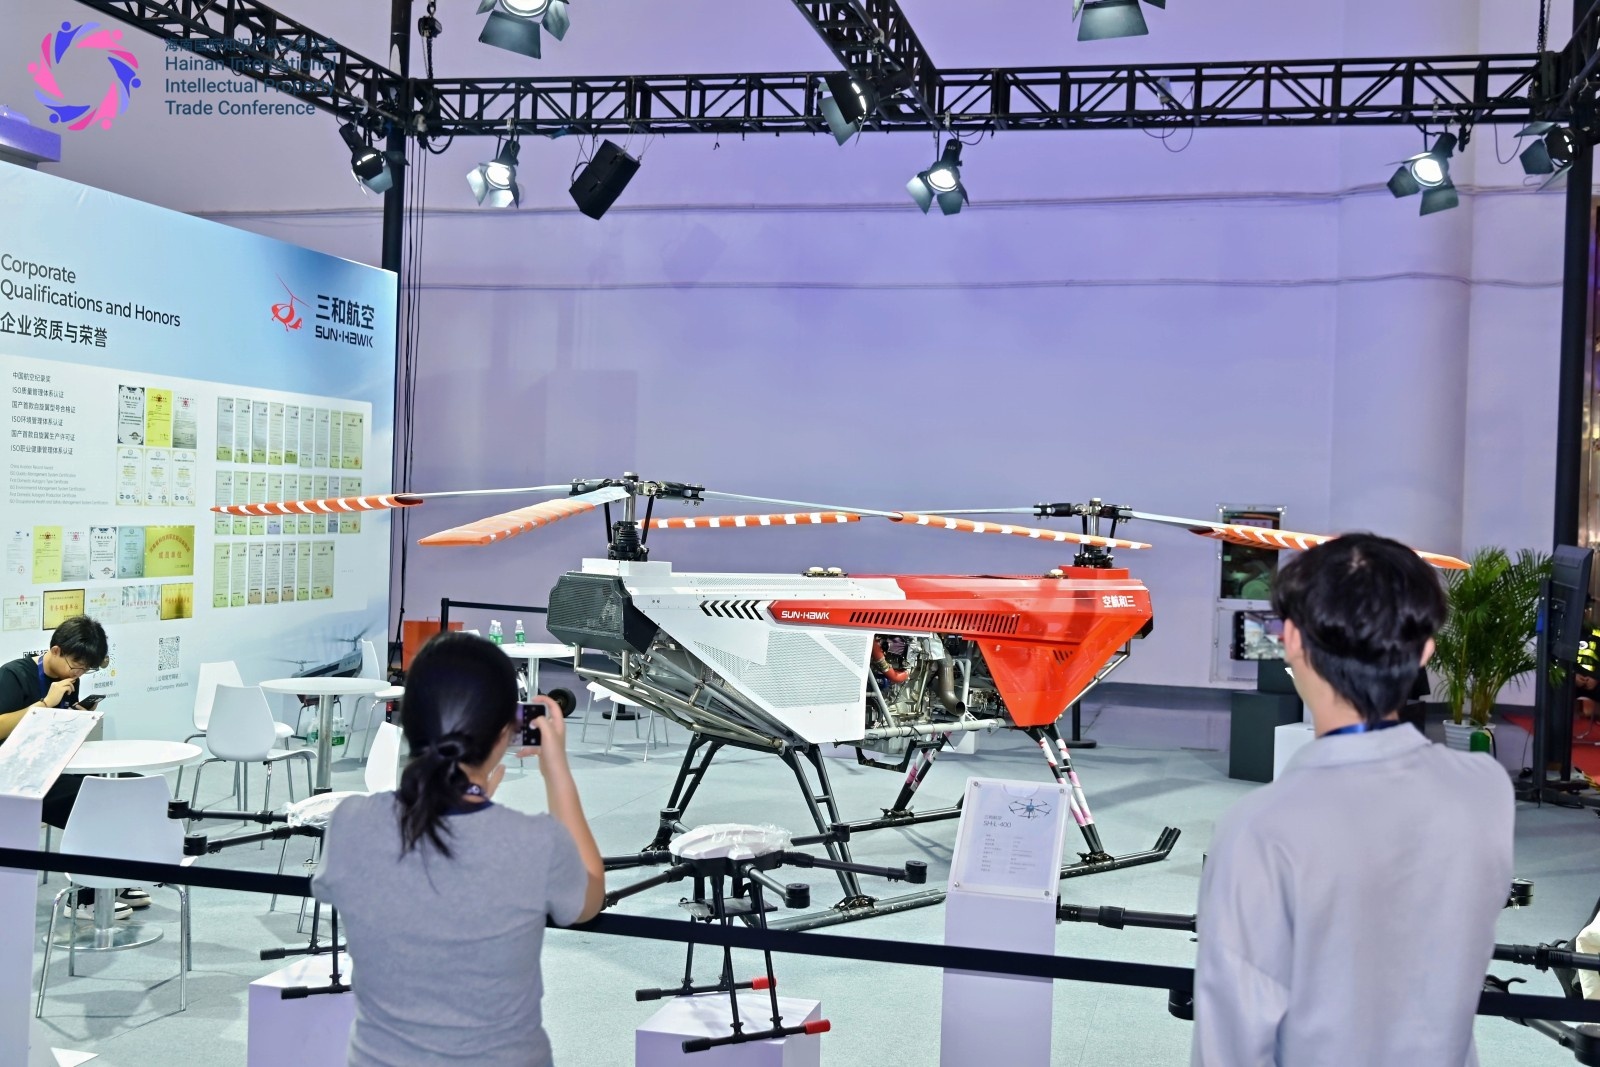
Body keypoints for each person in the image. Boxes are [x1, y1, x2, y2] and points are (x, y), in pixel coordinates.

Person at [1192, 534, 1514, 1067]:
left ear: (1292, 641)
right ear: (1426, 651)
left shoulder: (1260, 828)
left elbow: (1232, 1040)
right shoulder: (1486, 789)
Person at [313, 631, 604, 1067]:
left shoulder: (350, 824)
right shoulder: (534, 842)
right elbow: (589, 899)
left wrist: (464, 793)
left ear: (410, 722)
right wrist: (556, 769)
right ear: (507, 732)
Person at [0, 615, 142, 919]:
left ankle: (113, 880)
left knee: (131, 786)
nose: (79, 673)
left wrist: (78, 714)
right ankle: (84, 898)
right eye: (76, 665)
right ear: (55, 651)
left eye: (86, 668)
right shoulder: (13, 676)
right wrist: (45, 704)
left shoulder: (70, 680)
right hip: (17, 776)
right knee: (97, 800)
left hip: (55, 766)